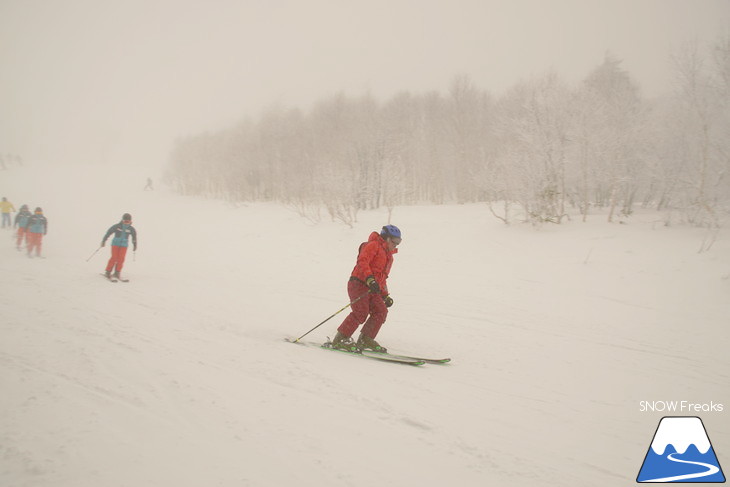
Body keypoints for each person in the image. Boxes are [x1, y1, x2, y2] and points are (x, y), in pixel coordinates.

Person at [331, 225, 402, 353]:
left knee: (381, 311)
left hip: (373, 288)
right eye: (394, 241)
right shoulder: (373, 245)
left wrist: (385, 295)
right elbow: (362, 262)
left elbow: (382, 278)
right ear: (386, 238)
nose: (396, 245)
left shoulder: (389, 257)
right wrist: (369, 279)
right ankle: (340, 338)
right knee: (361, 312)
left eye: (399, 242)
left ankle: (365, 339)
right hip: (358, 283)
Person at [101, 213, 137, 280]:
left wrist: (135, 245)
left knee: (121, 258)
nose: (126, 223)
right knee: (114, 257)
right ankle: (108, 272)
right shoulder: (117, 226)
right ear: (122, 220)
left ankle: (117, 272)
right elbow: (108, 232)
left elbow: (134, 237)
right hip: (115, 244)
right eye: (125, 221)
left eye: (128, 222)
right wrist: (104, 241)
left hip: (124, 245)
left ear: (130, 221)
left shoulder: (131, 229)